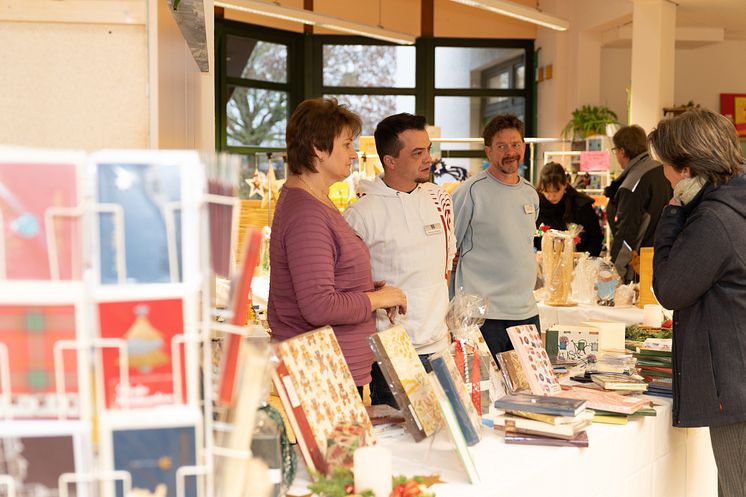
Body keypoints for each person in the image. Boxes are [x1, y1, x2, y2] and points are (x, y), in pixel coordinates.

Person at [268, 98, 407, 392]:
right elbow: (318, 306)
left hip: (333, 368)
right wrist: (377, 300)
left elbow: (322, 278)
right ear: (318, 148)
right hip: (324, 373)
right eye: (346, 145)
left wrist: (365, 287)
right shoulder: (306, 212)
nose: (354, 154)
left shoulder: (316, 200)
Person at [649, 108, 746, 497]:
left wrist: (673, 212)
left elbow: (672, 289)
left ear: (686, 168)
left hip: (735, 382)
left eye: (667, 167)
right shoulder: (735, 201)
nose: (666, 176)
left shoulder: (714, 219)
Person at [344, 113, 456, 407]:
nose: (428, 159)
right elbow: (348, 284)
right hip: (393, 351)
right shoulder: (361, 213)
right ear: (390, 161)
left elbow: (445, 267)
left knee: (445, 442)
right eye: (417, 153)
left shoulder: (440, 199)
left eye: (428, 149)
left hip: (440, 346)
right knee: (402, 446)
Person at [451, 113, 540, 358]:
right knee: (485, 392)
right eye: (502, 146)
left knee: (528, 391)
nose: (510, 152)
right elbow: (448, 249)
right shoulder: (470, 192)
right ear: (488, 151)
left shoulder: (530, 193)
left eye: (515, 145)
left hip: (525, 312)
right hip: (483, 316)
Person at [607, 125, 672, 282]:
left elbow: (626, 233)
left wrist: (615, 275)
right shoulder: (662, 170)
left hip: (639, 269)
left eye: (615, 151)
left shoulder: (633, 183)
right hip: (664, 261)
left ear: (622, 151)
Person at [535, 161, 603, 256]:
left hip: (578, 264)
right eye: (547, 191)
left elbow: (595, 237)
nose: (551, 196)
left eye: (556, 191)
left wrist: (585, 260)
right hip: (543, 264)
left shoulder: (581, 206)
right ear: (541, 188)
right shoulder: (535, 206)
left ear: (565, 185)